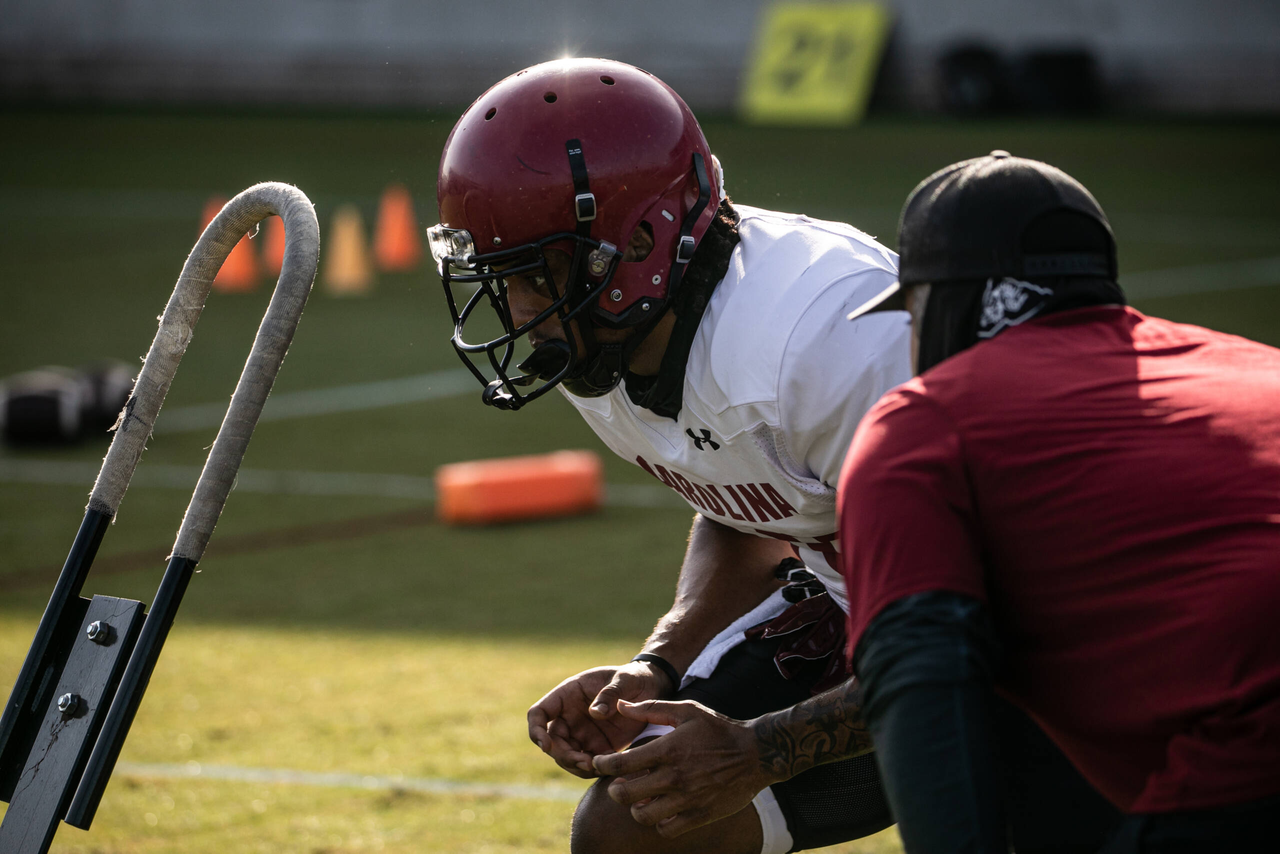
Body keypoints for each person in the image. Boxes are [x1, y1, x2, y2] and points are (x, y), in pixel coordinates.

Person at [597, 152, 1280, 853]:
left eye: (911, 316)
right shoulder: (1251, 362)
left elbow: (922, 681)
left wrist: (760, 751)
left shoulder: (928, 424)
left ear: (940, 307)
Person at [428, 57, 911, 854]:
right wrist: (662, 663)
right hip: (861, 595)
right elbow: (749, 497)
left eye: (534, 276)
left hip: (1029, 618)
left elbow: (980, 628)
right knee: (636, 822)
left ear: (638, 246)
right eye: (500, 277)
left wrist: (758, 750)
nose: (514, 310)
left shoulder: (828, 341)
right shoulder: (609, 346)